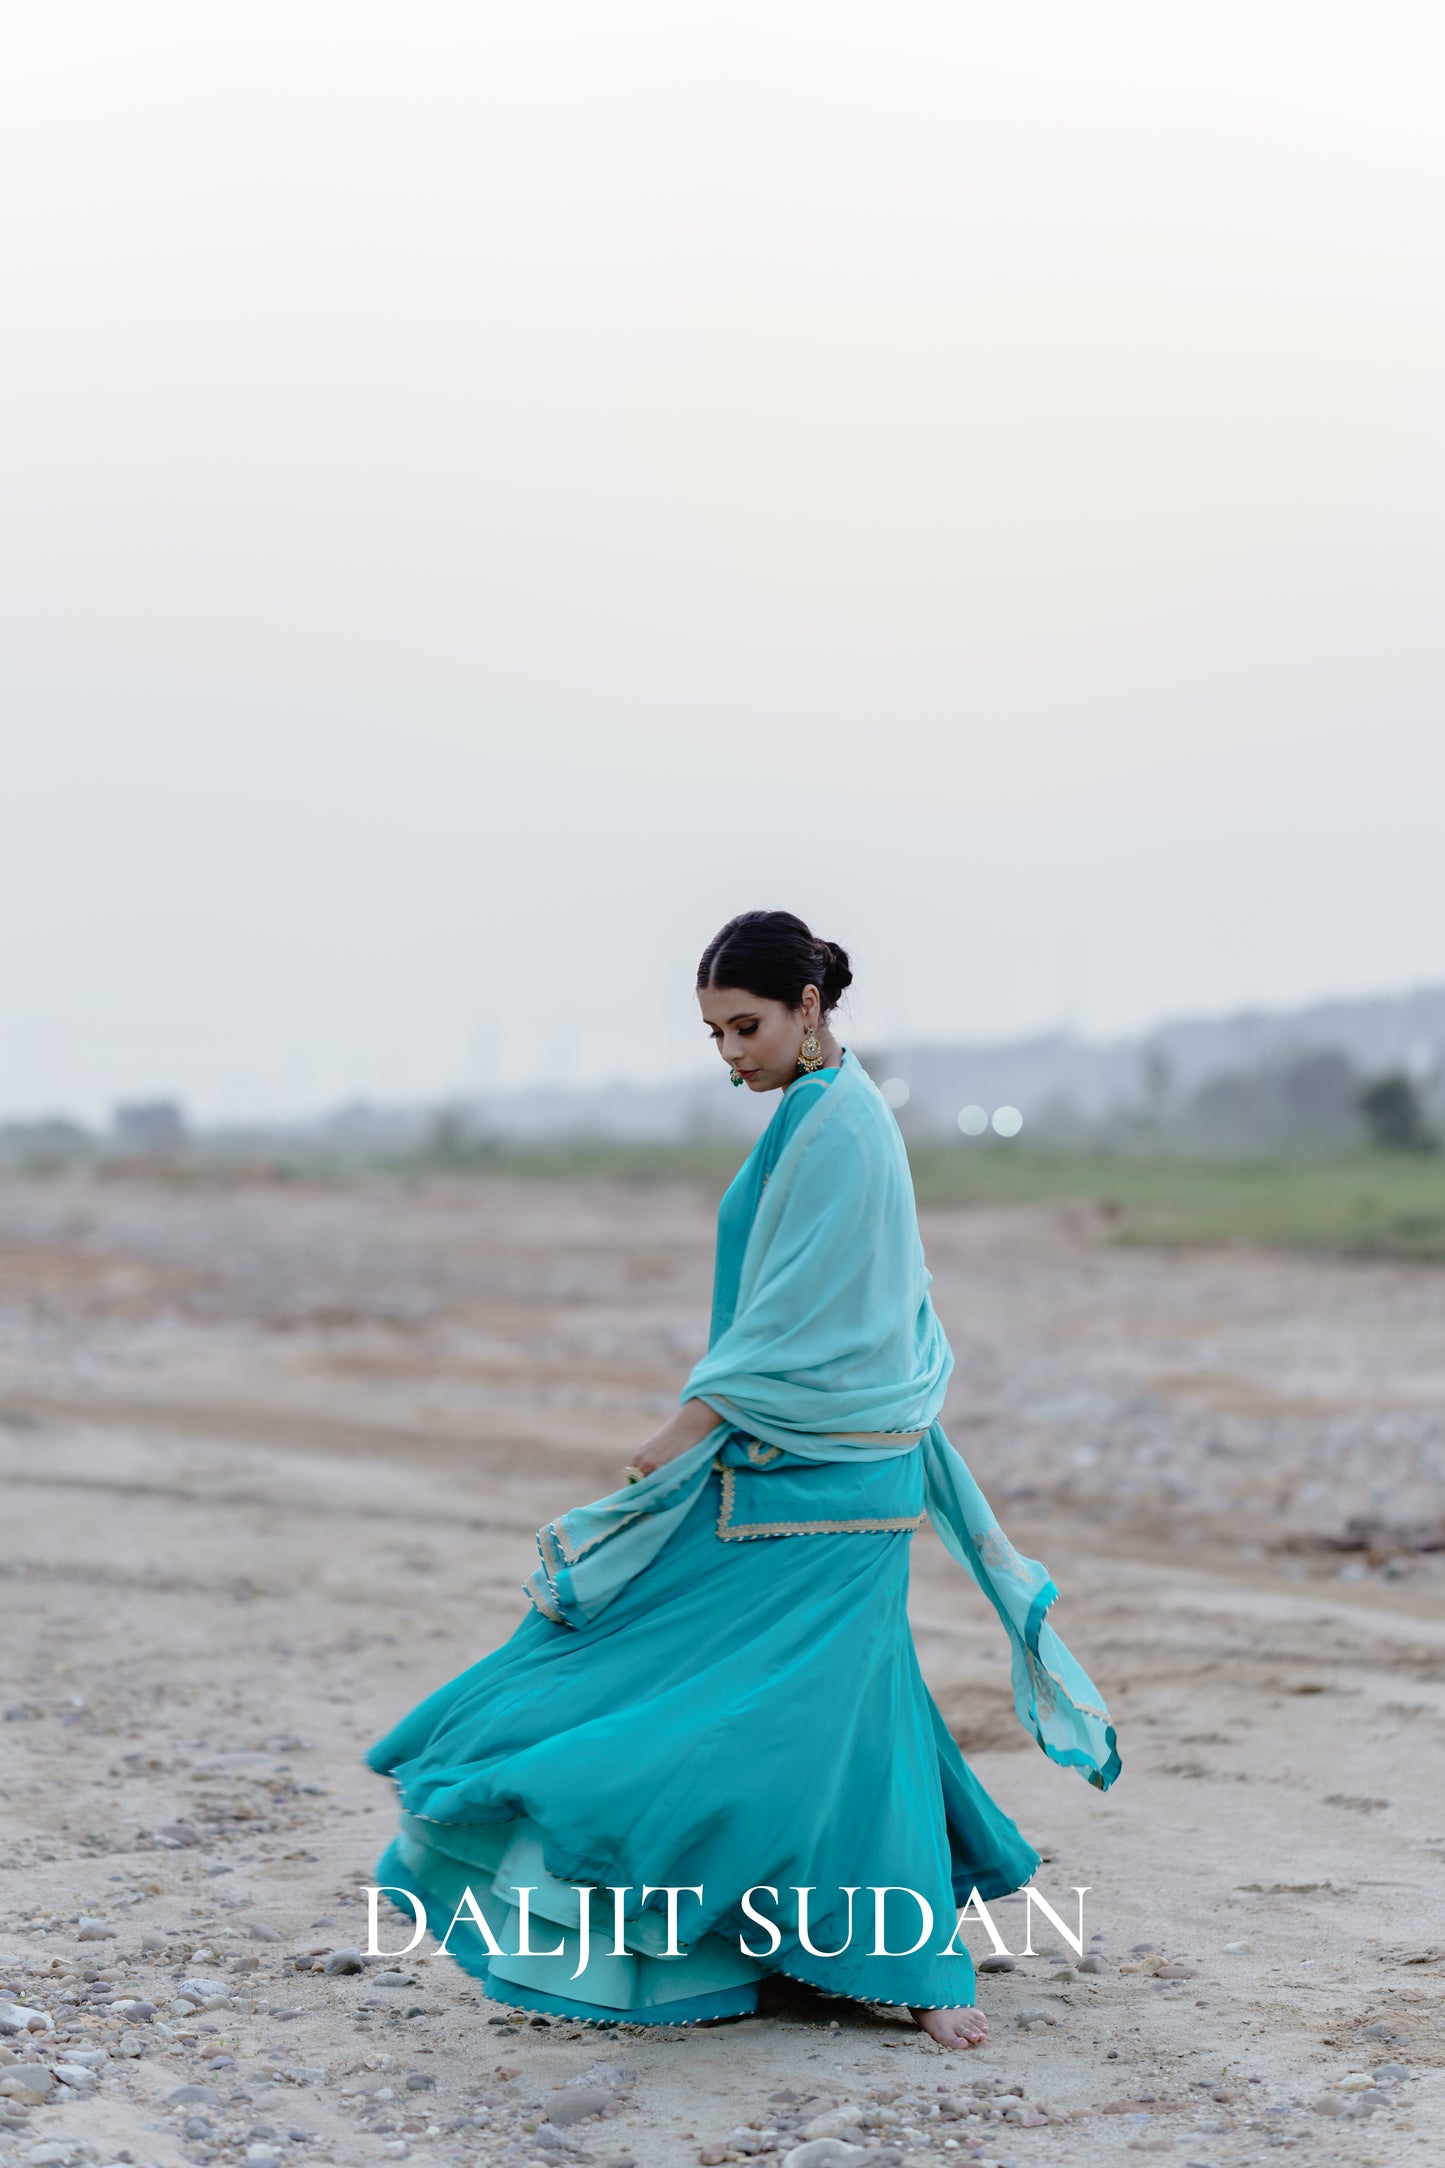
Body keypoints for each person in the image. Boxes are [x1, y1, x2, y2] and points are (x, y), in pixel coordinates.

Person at [366, 909, 1119, 2047]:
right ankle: (837, 1948)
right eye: (713, 1032)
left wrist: (686, 1425)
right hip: (826, 1468)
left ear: (809, 1006)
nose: (730, 1053)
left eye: (745, 1025)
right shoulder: (834, 1109)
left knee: (697, 1685)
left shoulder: (835, 1123)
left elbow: (799, 1317)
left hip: (816, 1474)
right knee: (815, 1711)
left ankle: (899, 1964)